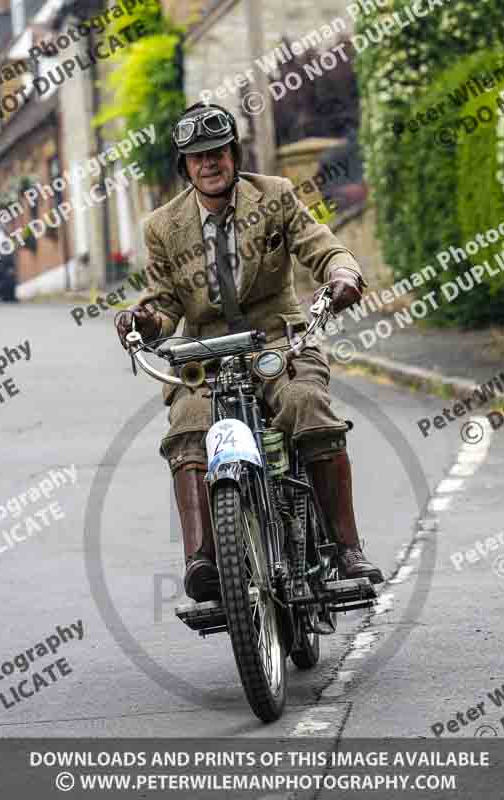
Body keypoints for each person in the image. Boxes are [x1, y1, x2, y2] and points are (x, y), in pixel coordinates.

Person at [116, 102, 383, 602]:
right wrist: (144, 321)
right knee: (189, 424)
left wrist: (342, 275)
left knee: (306, 403)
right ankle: (201, 561)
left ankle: (347, 547)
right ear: (185, 167)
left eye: (217, 152)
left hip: (280, 341)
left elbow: (324, 248)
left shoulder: (276, 195)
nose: (209, 163)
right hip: (207, 355)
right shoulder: (162, 227)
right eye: (197, 157)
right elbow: (164, 303)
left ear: (234, 155)